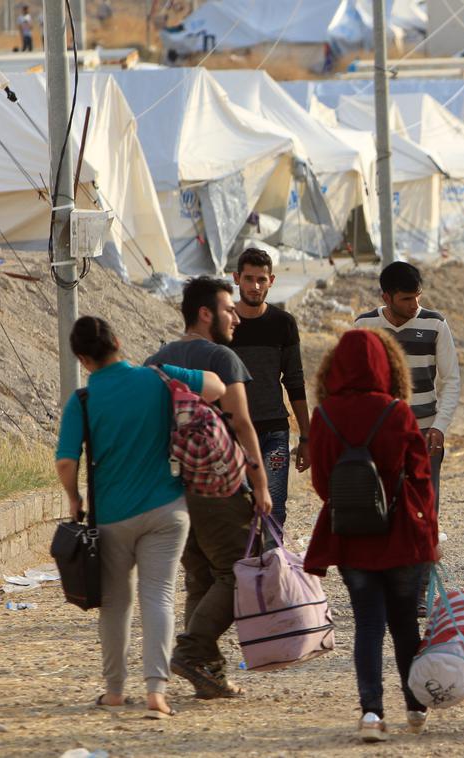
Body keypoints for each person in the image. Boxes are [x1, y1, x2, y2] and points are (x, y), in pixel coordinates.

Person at [56, 316, 224, 720]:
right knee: (159, 596)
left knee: (116, 604)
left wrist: (75, 497)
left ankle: (114, 692)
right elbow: (217, 386)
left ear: (82, 358)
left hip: (112, 517)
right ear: (118, 339)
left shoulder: (82, 400)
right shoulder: (158, 378)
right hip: (167, 509)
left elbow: (65, 462)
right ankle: (156, 693)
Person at [303, 329, 439, 741]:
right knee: (404, 626)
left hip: (351, 539)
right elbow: (420, 480)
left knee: (367, 624)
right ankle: (415, 707)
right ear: (387, 364)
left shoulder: (323, 416)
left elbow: (324, 485)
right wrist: (429, 537)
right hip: (399, 540)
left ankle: (371, 714)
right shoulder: (397, 412)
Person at [145, 276, 272, 698]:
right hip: (218, 488)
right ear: (206, 314)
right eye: (228, 309)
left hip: (169, 487)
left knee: (201, 576)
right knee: (239, 571)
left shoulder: (157, 360)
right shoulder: (220, 357)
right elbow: (241, 421)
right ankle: (193, 649)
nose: (235, 316)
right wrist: (261, 483)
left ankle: (209, 674)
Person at [354, 260, 461, 600]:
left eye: (417, 297)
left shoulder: (435, 324)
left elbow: (451, 380)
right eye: (405, 299)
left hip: (425, 436)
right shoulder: (364, 326)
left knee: (424, 511)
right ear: (386, 297)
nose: (414, 305)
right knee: (383, 510)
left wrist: (440, 427)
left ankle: (419, 589)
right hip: (381, 441)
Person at [229, 249, 309, 530]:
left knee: (274, 509)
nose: (255, 286)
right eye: (249, 279)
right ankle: (244, 571)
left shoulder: (283, 324)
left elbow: (295, 382)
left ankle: (272, 568)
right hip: (233, 434)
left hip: (274, 432)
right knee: (239, 513)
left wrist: (307, 437)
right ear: (236, 278)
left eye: (261, 279)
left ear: (272, 280)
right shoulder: (224, 324)